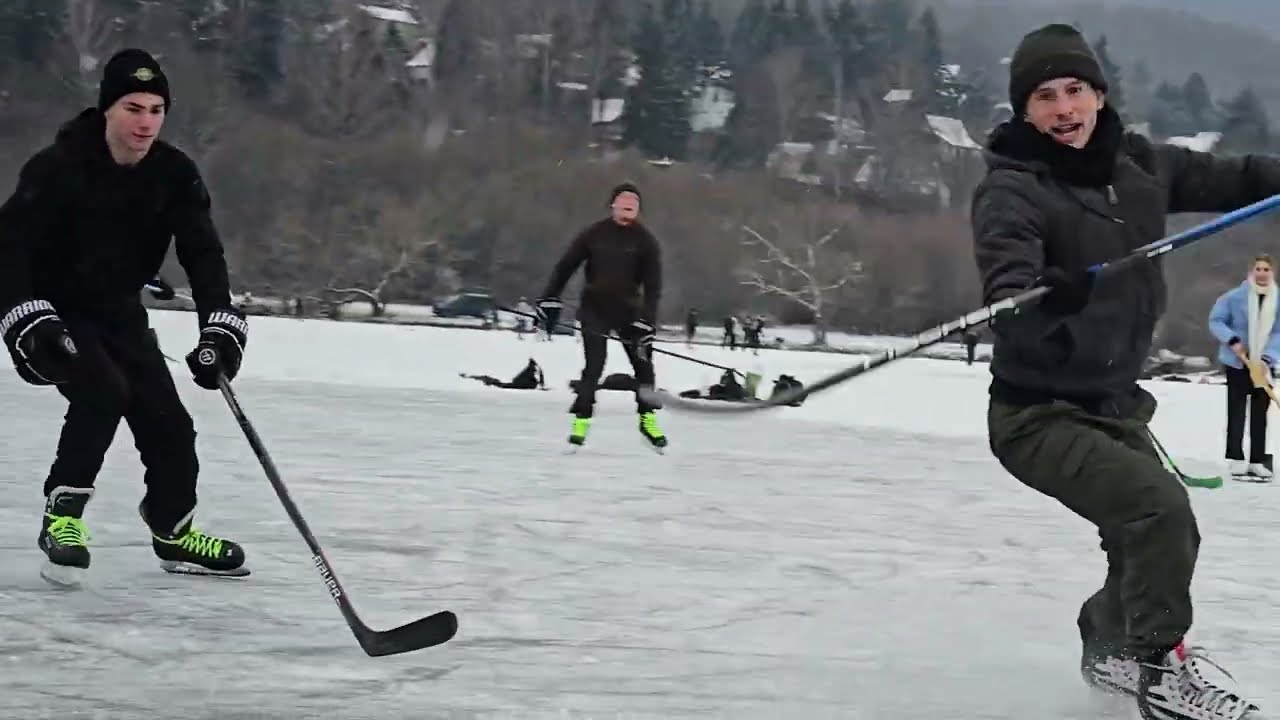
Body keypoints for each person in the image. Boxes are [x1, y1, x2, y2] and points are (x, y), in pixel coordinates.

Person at [972, 24, 1268, 719]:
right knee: (1159, 512)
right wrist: (1041, 290)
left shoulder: (1140, 165)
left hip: (1113, 403)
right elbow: (1006, 285)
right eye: (1044, 96)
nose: (1063, 108)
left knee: (1147, 540)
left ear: (1099, 96)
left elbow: (1239, 178)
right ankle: (1156, 669)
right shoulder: (1012, 189)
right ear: (1025, 111)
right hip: (1036, 414)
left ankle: (1107, 644)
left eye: (1075, 90)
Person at [0, 49, 250, 586]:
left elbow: (203, 255)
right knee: (103, 392)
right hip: (55, 318)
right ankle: (62, 518)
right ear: (108, 109)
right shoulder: (58, 166)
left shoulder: (175, 174)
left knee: (172, 426)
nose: (145, 122)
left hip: (120, 315)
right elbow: (8, 249)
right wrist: (24, 318)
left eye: (157, 109)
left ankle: (173, 531)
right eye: (133, 107)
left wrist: (221, 326)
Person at [535, 182, 666, 449]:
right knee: (594, 366)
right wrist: (549, 298)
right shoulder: (594, 234)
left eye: (634, 202)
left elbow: (654, 286)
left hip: (631, 312)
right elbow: (565, 267)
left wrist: (647, 320)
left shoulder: (646, 241)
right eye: (624, 200)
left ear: (638, 208)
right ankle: (581, 419)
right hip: (595, 309)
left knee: (644, 367)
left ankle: (647, 419)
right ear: (613, 204)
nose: (629, 205)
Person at [1209, 254, 1280, 480]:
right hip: (1237, 362)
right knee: (1237, 412)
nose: (1262, 273)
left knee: (1260, 414)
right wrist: (1233, 341)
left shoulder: (1278, 300)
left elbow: (1279, 332)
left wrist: (1267, 358)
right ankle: (1236, 458)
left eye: (1266, 269)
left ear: (1272, 272)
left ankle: (1257, 460)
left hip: (1263, 366)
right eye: (1258, 268)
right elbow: (1216, 320)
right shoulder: (1234, 297)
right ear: (1251, 271)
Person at [461, 358, 544, 390]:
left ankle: (531, 367)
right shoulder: (532, 372)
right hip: (523, 384)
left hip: (523, 384)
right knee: (514, 381)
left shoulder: (531, 372)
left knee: (511, 382)